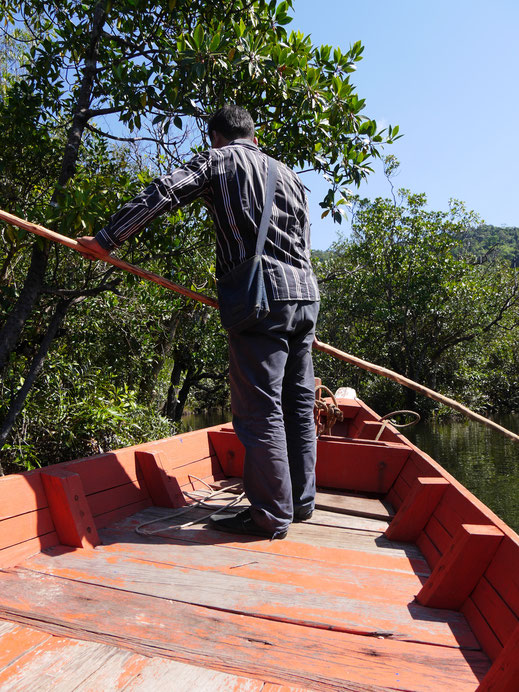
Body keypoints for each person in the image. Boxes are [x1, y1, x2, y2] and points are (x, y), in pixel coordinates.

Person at [77, 105, 320, 540]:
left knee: (260, 409)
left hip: (260, 300)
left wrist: (106, 241)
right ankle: (300, 504)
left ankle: (270, 516)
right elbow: (302, 235)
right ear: (255, 138)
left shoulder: (218, 160)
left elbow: (163, 193)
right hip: (306, 296)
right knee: (297, 404)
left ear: (216, 138)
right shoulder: (289, 175)